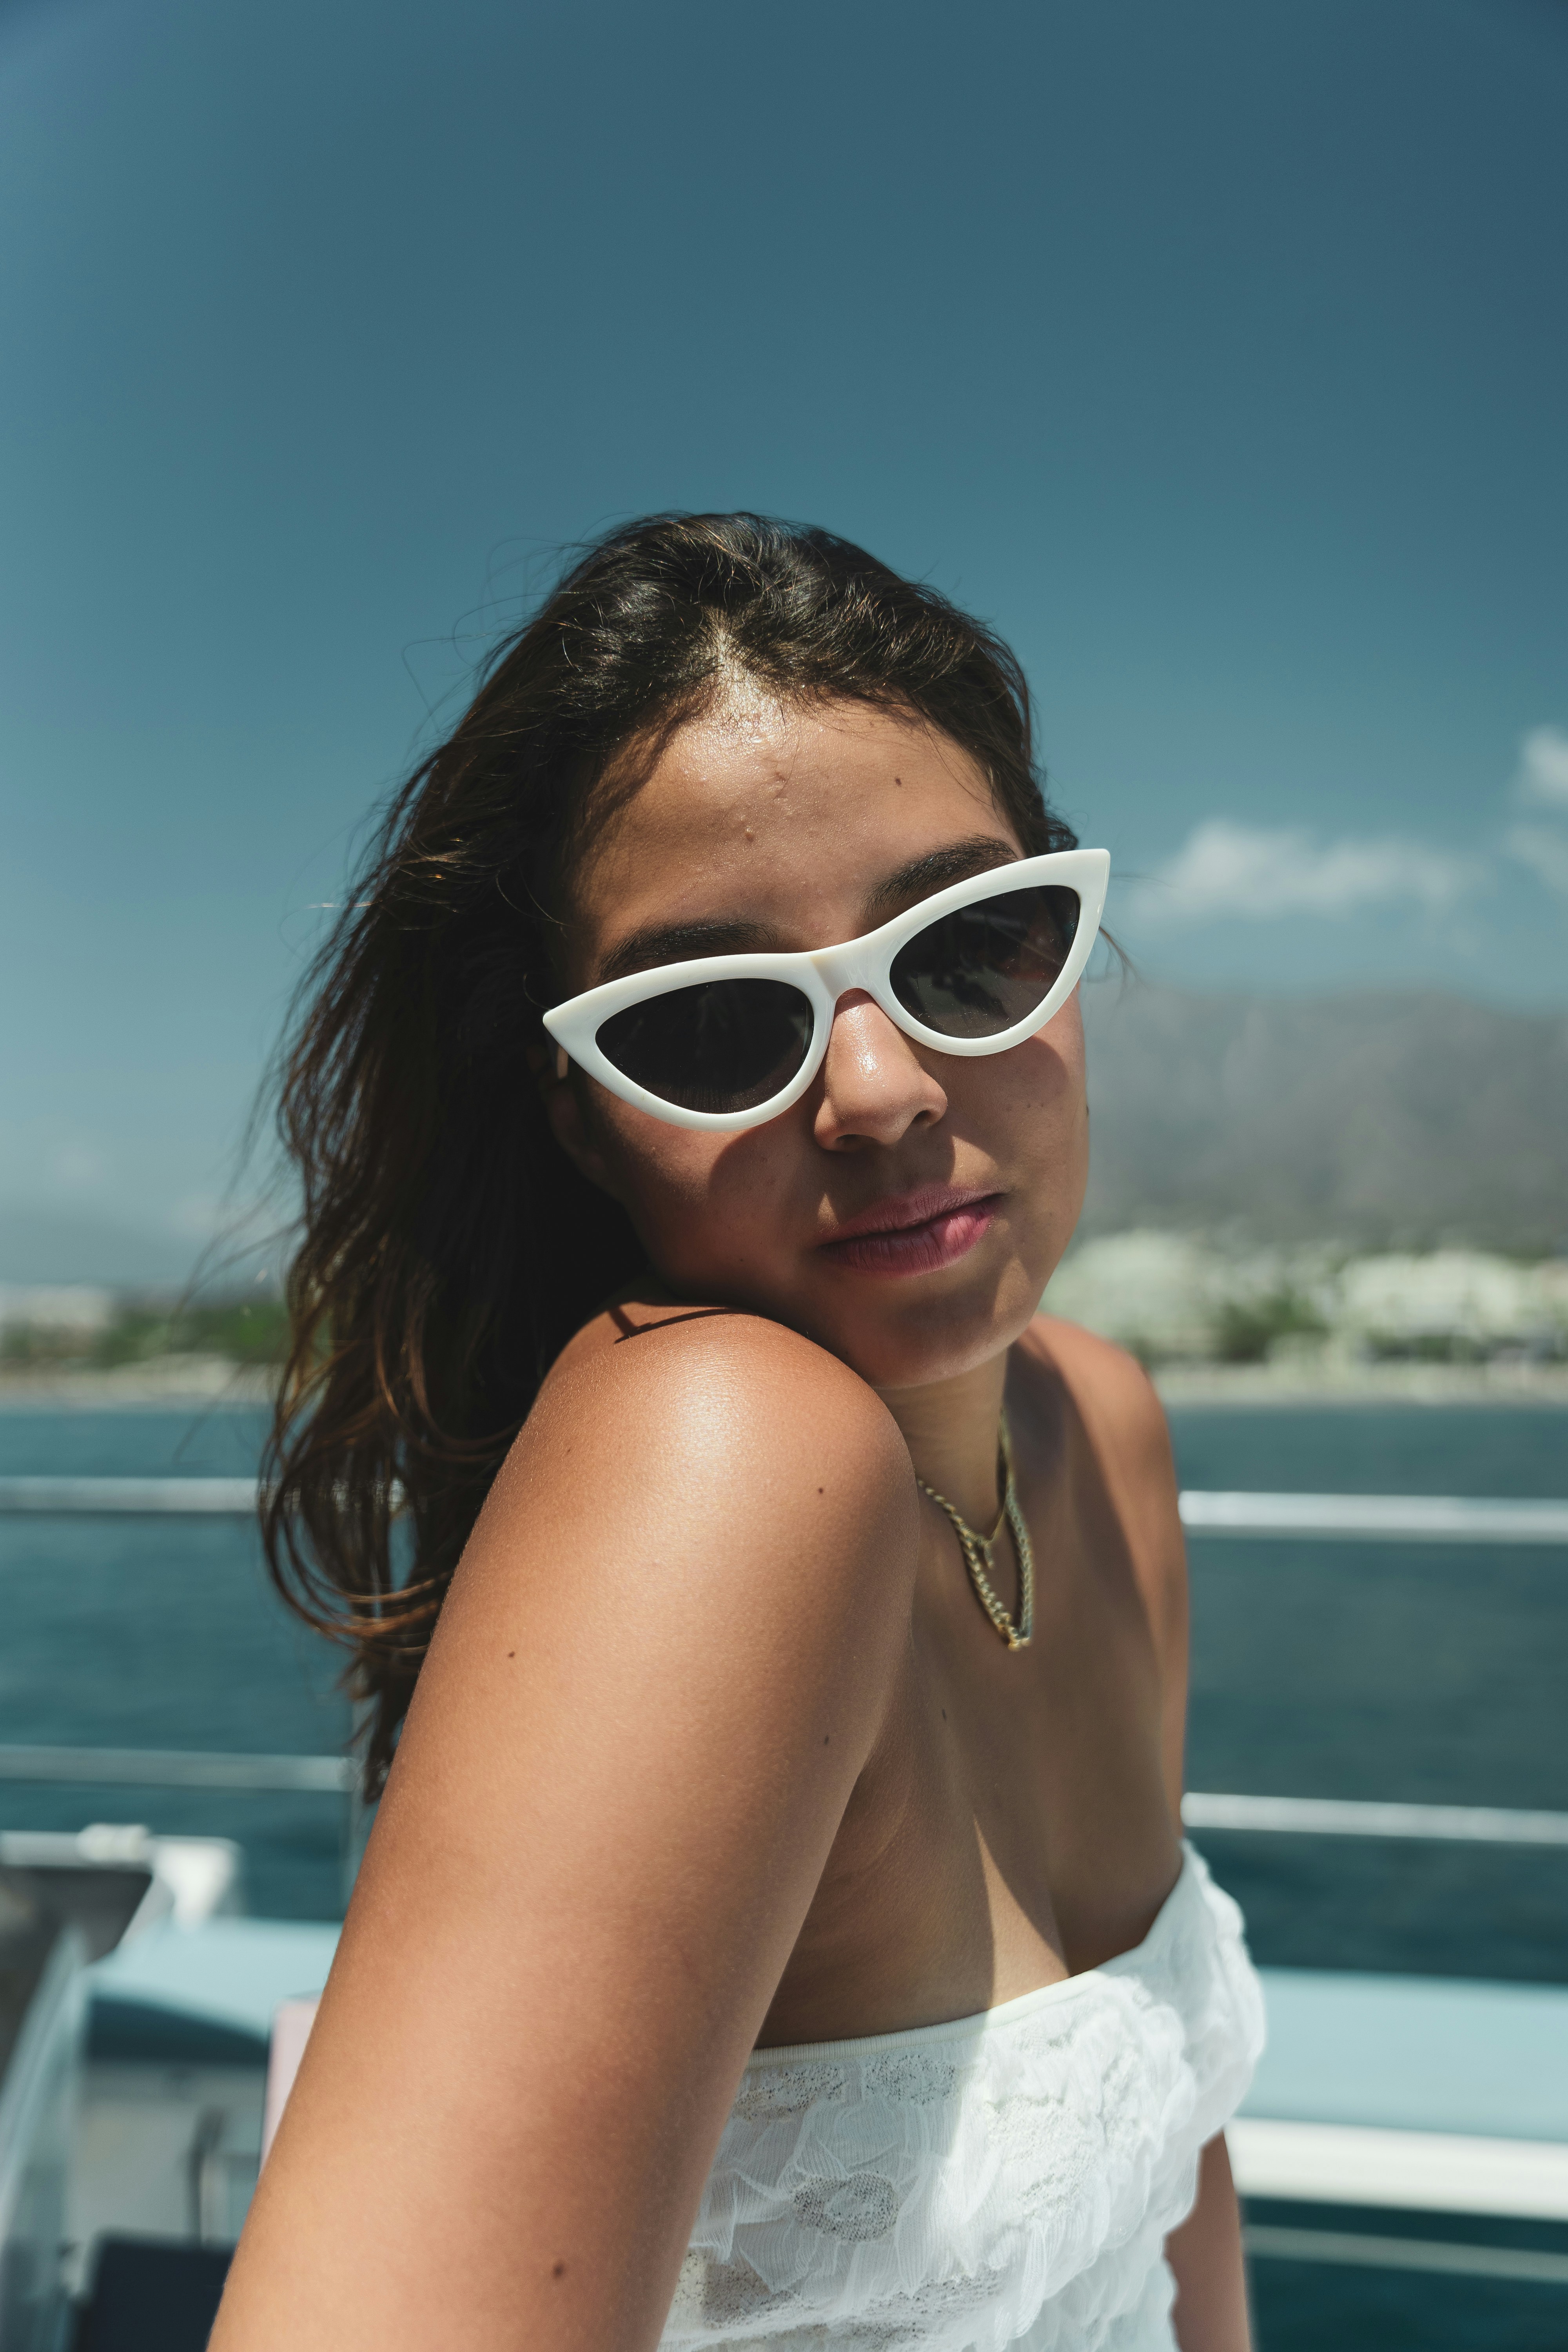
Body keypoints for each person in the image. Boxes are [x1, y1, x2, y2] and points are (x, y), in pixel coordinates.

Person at [211, 514, 1263, 2352]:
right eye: (708, 1026)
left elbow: (1176, 2186)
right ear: (580, 1115)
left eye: (969, 947)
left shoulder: (1095, 1425)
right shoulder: (722, 1453)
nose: (880, 1090)